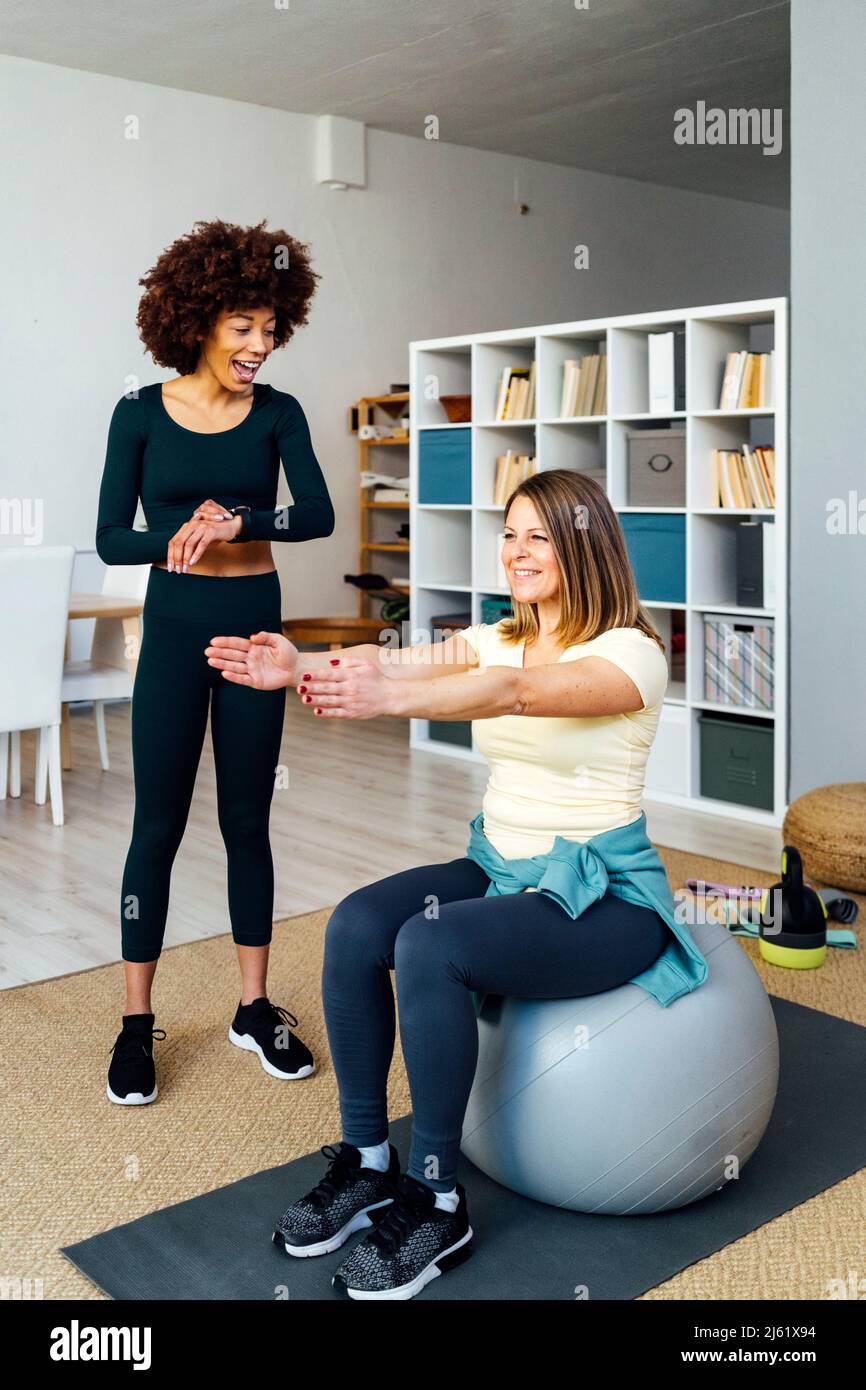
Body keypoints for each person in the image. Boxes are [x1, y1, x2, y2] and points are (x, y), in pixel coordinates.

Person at [205, 467, 675, 1300]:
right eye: (510, 532)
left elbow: (517, 692)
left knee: (429, 944)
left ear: (584, 544)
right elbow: (410, 660)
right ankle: (367, 1160)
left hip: (604, 896)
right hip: (500, 869)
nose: (518, 551)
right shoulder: (496, 634)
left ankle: (438, 1198)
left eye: (540, 535)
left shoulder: (630, 650)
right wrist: (300, 666)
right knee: (356, 923)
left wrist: (383, 696)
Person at [95, 218, 334, 1106]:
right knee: (156, 825)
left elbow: (314, 513)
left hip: (251, 622)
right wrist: (175, 536)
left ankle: (253, 1006)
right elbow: (111, 537)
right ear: (197, 320)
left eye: (271, 329)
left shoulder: (279, 413)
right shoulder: (136, 414)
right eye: (245, 327)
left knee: (246, 820)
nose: (261, 346)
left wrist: (241, 522)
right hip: (173, 624)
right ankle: (134, 1022)